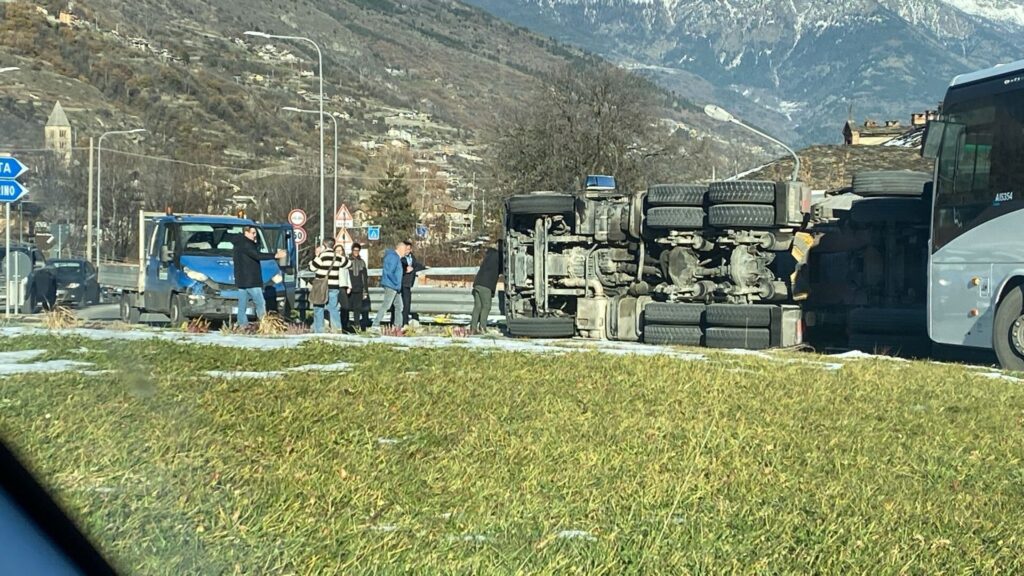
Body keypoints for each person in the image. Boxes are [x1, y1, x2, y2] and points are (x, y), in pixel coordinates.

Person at [232, 225, 286, 328]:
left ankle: (242, 324)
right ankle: (264, 324)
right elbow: (257, 255)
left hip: (241, 279)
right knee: (260, 302)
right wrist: (275, 255)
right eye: (253, 233)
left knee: (242, 305)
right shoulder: (246, 244)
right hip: (251, 280)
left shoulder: (238, 243)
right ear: (246, 233)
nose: (255, 235)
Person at [308, 239, 351, 333]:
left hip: (321, 286)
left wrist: (315, 258)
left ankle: (319, 329)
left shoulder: (322, 256)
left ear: (324, 245)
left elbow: (312, 268)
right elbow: (348, 264)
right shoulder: (338, 256)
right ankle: (337, 328)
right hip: (334, 285)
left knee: (319, 307)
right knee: (333, 307)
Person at [371, 240, 409, 330]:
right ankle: (375, 324)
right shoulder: (393, 257)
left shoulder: (396, 258)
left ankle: (398, 326)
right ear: (400, 248)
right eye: (405, 250)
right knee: (386, 305)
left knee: (399, 306)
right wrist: (396, 282)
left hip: (395, 286)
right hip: (391, 285)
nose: (406, 252)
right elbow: (389, 272)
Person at [471, 243, 502, 334]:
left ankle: (473, 328)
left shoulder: (489, 255)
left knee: (478, 307)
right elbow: (502, 268)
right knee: (486, 306)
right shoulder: (498, 256)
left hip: (478, 283)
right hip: (486, 285)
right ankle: (482, 327)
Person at [394, 241, 426, 326]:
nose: (407, 251)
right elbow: (401, 266)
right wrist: (406, 269)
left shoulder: (412, 257)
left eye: (409, 249)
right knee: (402, 304)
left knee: (406, 304)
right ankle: (402, 322)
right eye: (406, 249)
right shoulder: (400, 257)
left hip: (408, 284)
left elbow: (415, 265)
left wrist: (424, 267)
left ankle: (405, 322)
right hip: (402, 283)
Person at [348, 243, 371, 331]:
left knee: (357, 308)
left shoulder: (362, 262)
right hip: (350, 288)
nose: (356, 252)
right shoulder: (348, 261)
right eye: (355, 250)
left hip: (359, 288)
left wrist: (365, 290)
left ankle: (357, 324)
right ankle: (347, 324)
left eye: (358, 250)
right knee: (347, 307)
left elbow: (364, 278)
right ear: (352, 251)